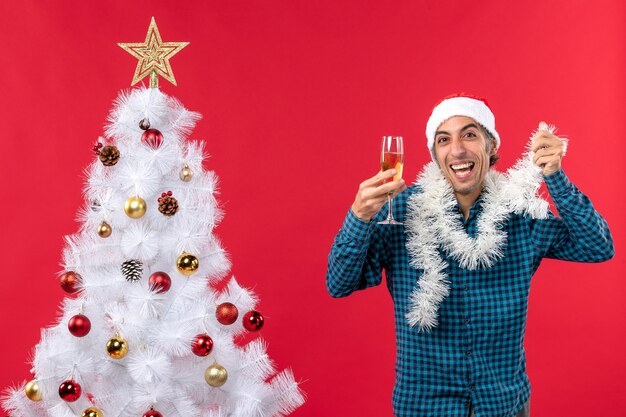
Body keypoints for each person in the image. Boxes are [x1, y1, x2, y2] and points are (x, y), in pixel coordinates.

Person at [326, 94, 614, 417]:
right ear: (435, 154)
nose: (458, 149)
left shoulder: (520, 215)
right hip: (425, 408)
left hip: (503, 406)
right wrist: (359, 216)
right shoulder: (401, 211)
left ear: (491, 147)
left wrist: (554, 177)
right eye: (444, 139)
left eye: (470, 134)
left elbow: (598, 246)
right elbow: (339, 283)